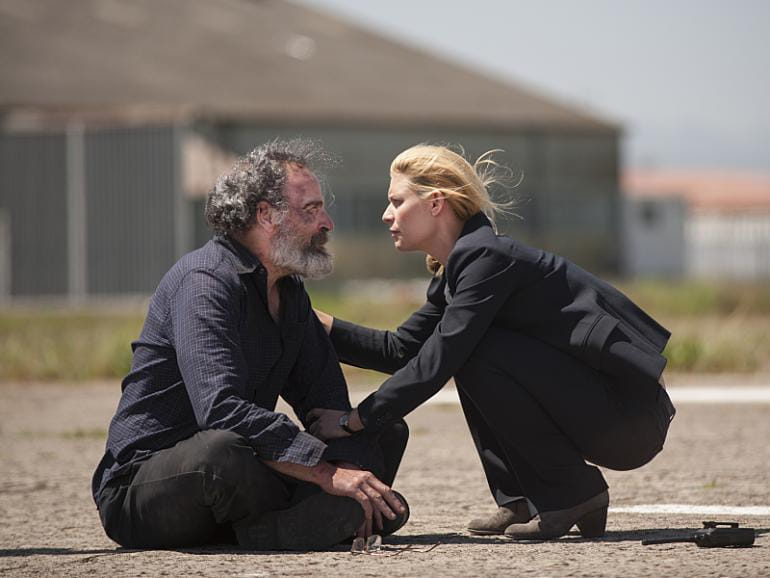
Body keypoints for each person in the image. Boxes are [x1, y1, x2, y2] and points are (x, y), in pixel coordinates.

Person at [307, 144, 676, 541]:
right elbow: (400, 350)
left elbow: (436, 363)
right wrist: (317, 324)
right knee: (469, 347)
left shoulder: (487, 258)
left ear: (435, 203)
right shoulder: (464, 265)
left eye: (397, 201)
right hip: (604, 412)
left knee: (471, 349)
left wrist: (353, 421)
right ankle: (521, 498)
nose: (386, 214)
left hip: (629, 419)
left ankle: (572, 493)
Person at [91, 139, 408, 551]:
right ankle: (288, 523)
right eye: (311, 210)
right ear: (265, 215)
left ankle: (295, 522)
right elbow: (220, 409)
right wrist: (325, 475)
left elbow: (325, 402)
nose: (327, 223)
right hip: (149, 488)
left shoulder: (289, 291)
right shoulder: (205, 282)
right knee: (222, 450)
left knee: (382, 429)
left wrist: (349, 469)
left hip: (244, 474)